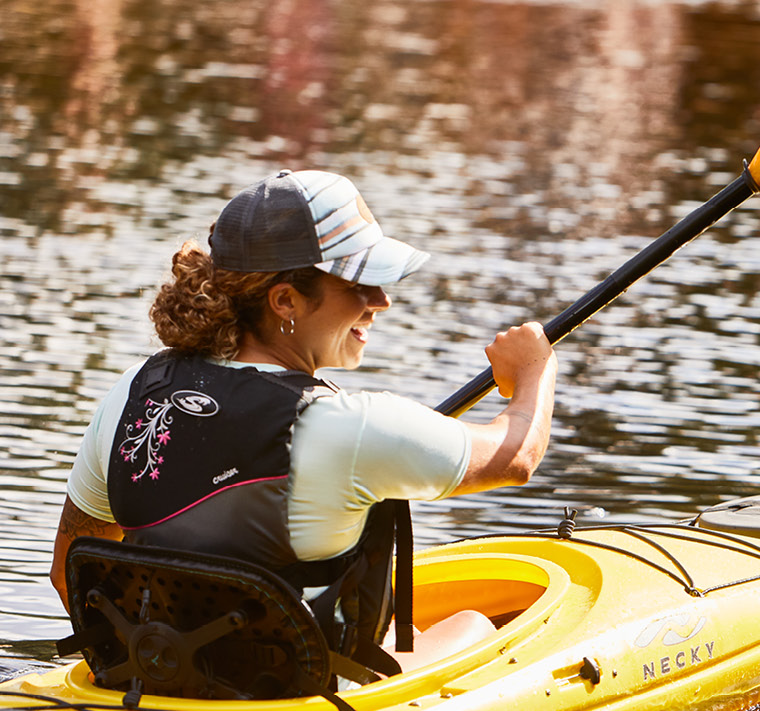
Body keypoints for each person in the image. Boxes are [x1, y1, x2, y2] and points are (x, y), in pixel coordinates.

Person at [50, 169, 556, 679]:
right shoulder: (349, 425)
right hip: (302, 702)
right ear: (285, 300)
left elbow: (70, 572)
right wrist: (535, 366)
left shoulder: (135, 387)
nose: (381, 301)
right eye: (359, 283)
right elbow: (515, 455)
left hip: (148, 680)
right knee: (475, 625)